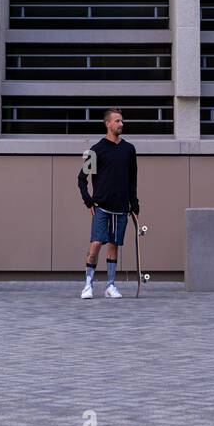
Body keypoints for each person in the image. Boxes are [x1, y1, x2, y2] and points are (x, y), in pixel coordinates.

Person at [77, 107, 139, 299]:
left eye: (122, 121)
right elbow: (81, 178)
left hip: (121, 208)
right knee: (96, 244)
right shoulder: (95, 150)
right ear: (108, 124)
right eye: (118, 121)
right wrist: (89, 202)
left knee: (114, 245)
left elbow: (132, 180)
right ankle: (88, 284)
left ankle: (110, 286)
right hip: (101, 207)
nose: (121, 124)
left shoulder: (129, 150)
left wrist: (134, 204)